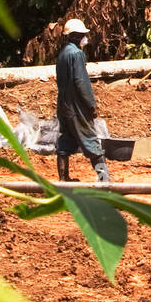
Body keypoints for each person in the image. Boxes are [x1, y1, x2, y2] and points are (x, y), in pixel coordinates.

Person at [55, 18, 110, 184]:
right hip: (77, 107)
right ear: (76, 36)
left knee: (65, 142)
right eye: (83, 35)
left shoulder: (63, 53)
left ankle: (63, 179)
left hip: (64, 106)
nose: (85, 38)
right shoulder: (77, 54)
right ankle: (105, 181)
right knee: (92, 142)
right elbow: (81, 82)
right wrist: (91, 105)